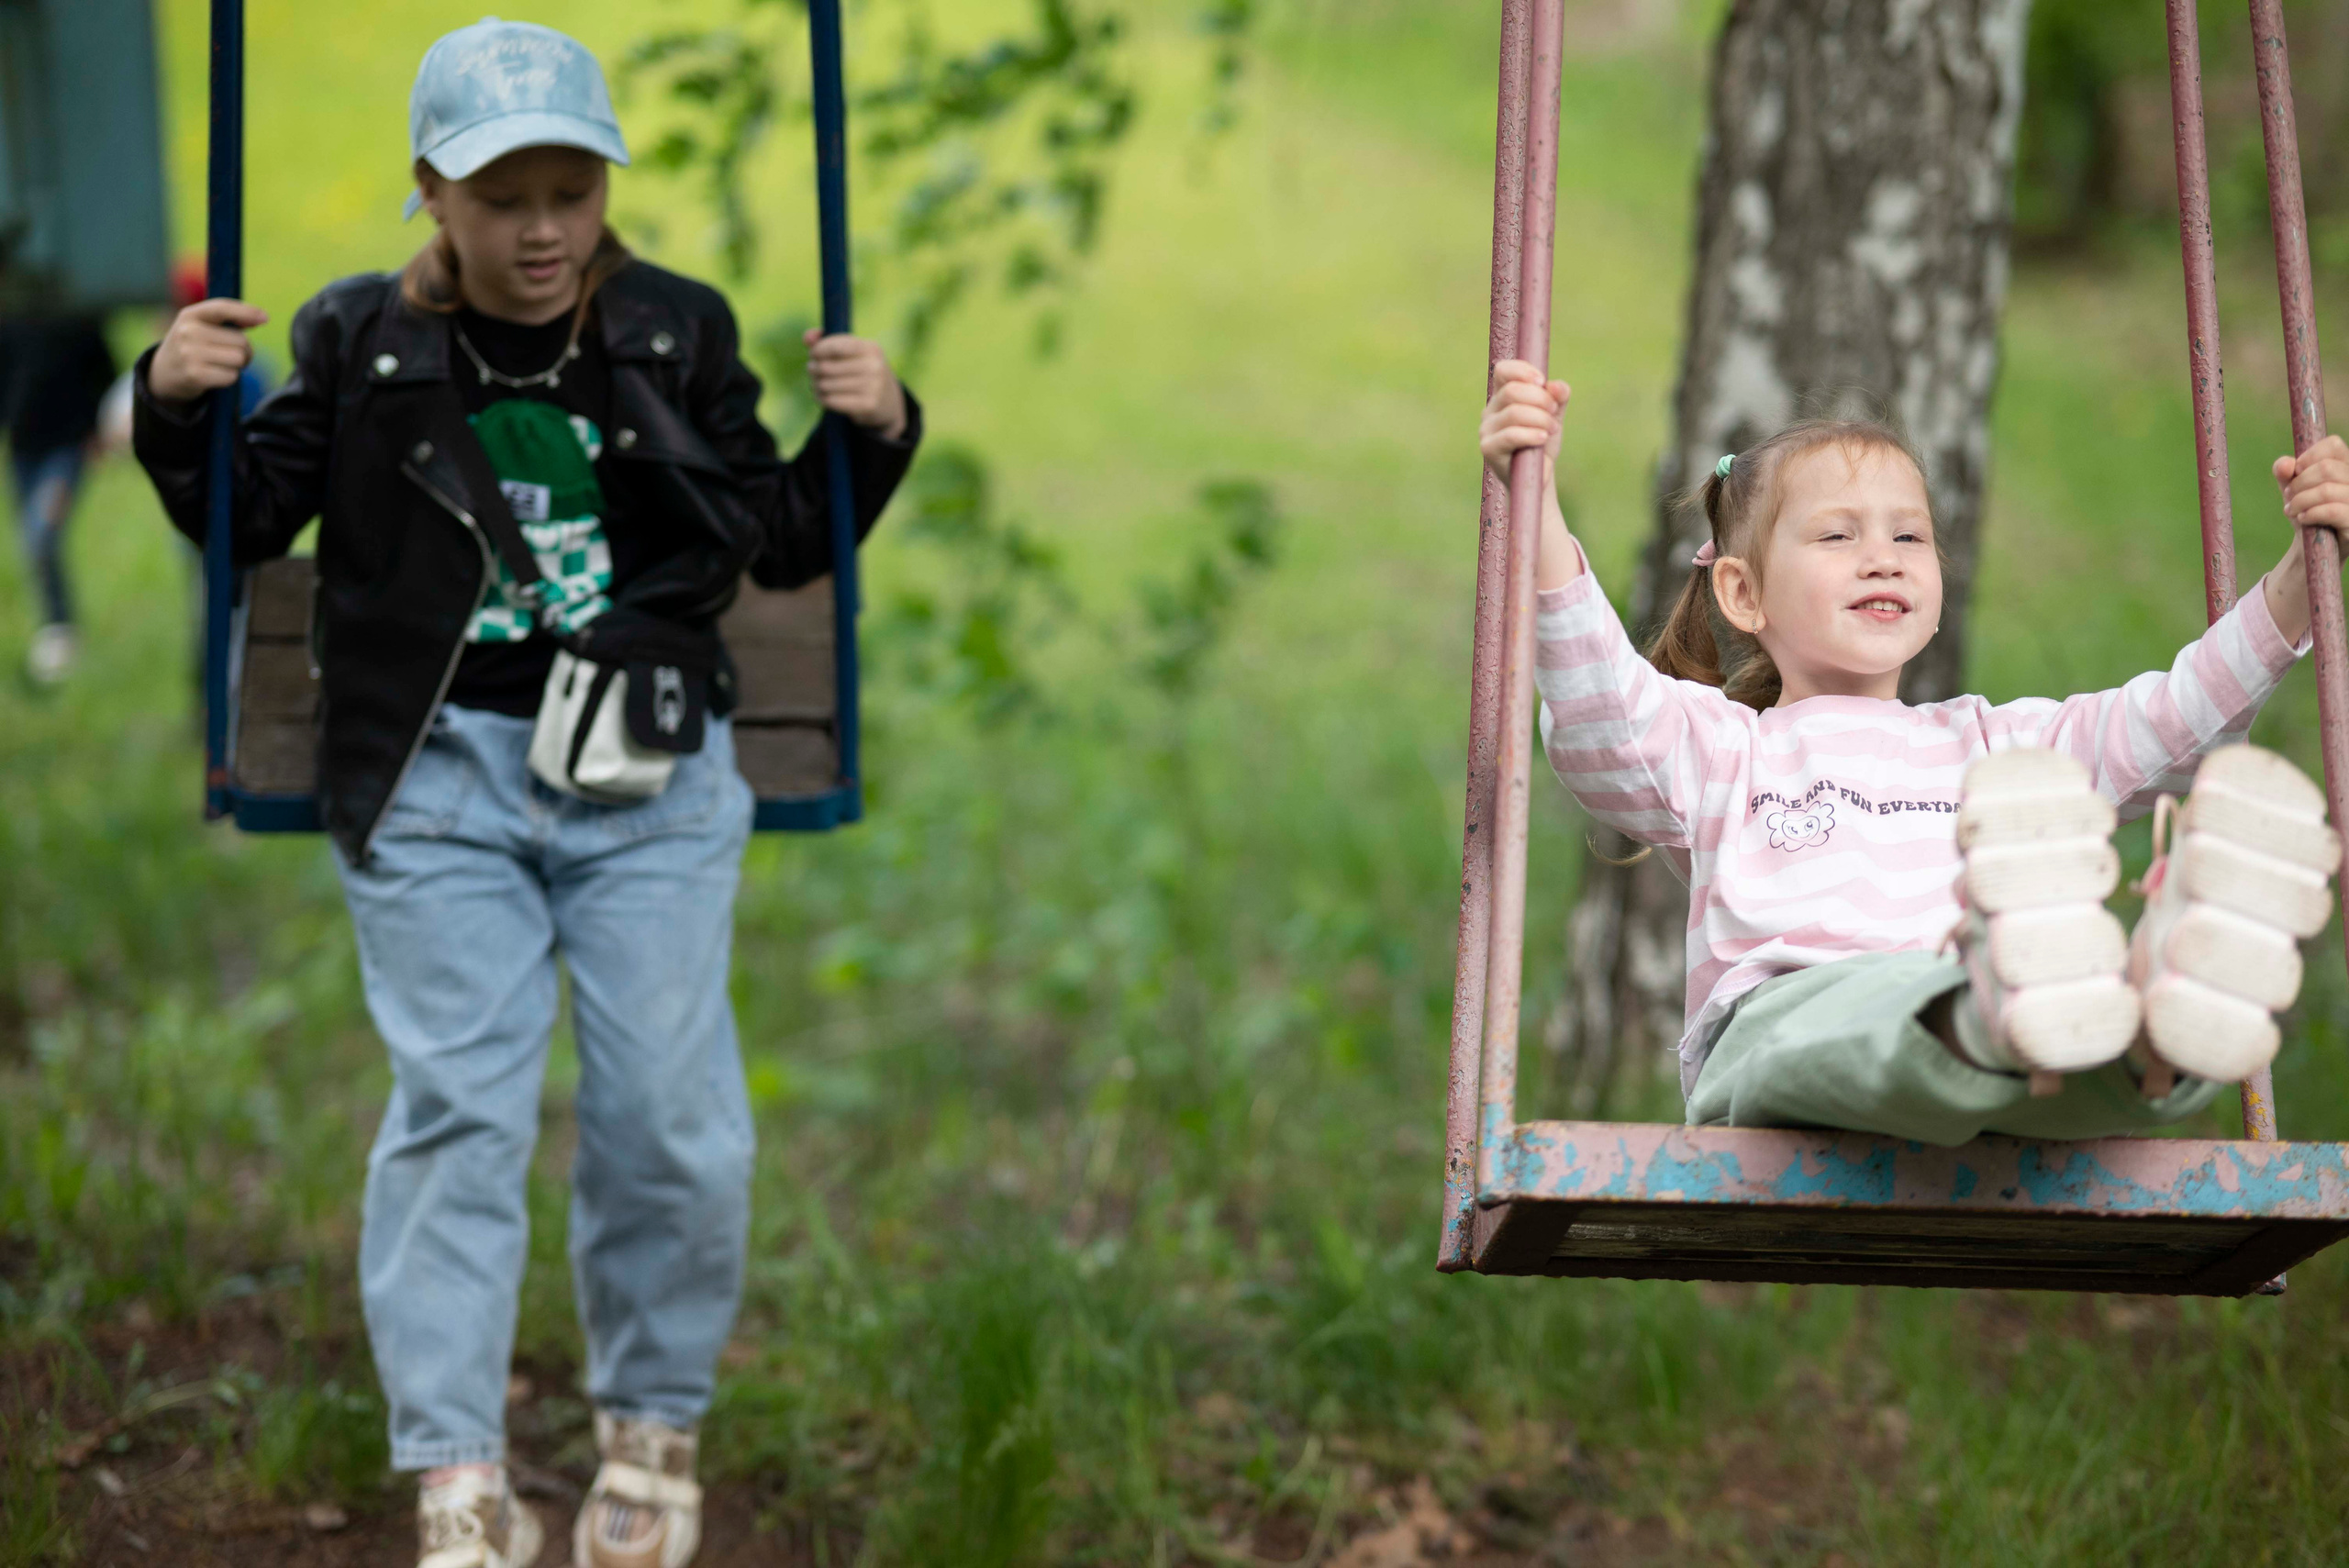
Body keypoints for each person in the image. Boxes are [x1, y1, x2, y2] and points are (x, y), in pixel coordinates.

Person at [131, 20, 920, 1568]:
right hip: (436, 779)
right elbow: (250, 517)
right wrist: (173, 400)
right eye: (503, 198)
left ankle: (652, 1421)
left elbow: (776, 538)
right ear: (433, 190)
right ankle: (458, 1468)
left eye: (573, 191)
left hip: (644, 778)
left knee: (672, 1119)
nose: (544, 229)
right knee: (461, 1112)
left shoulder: (673, 331)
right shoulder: (358, 339)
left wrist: (875, 430)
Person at [1478, 359, 2349, 1145]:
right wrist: (1538, 502)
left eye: (1908, 537)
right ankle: (2001, 1002)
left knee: (2094, 1071)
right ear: (1742, 592)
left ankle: (2162, 1012)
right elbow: (1603, 711)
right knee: (1914, 1010)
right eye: (1837, 536)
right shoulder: (1723, 749)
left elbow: (2165, 723)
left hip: (1986, 1050)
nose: (1882, 560)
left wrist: (2298, 582)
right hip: (1784, 1032)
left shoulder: (1991, 748)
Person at [0, 311, 117, 686]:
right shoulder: (9, 319)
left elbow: (105, 376)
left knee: (42, 535)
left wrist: (97, 431)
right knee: (30, 542)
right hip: (22, 448)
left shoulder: (78, 319)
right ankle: (53, 624)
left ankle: (59, 628)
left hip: (65, 448)